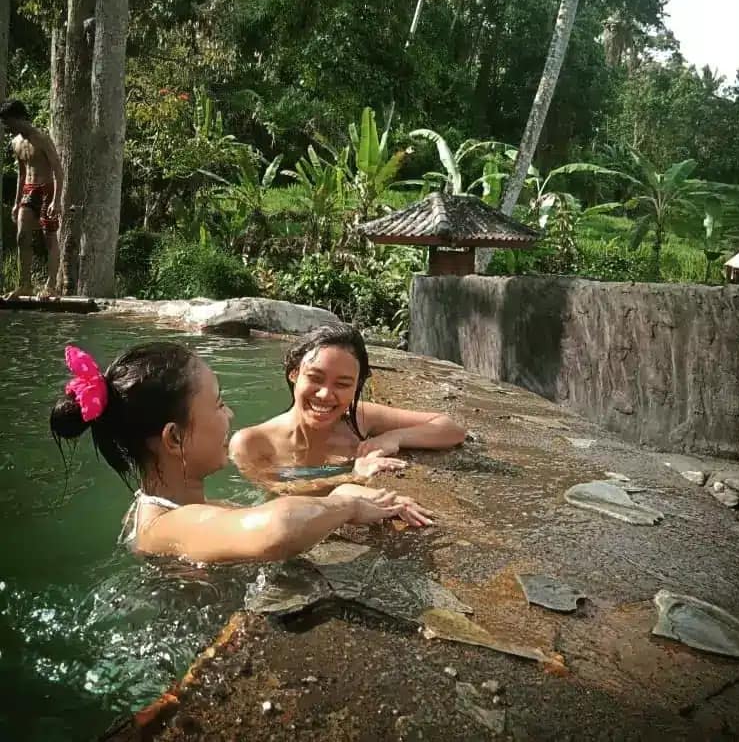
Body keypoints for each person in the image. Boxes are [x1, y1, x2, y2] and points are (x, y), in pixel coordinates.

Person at [50, 341, 433, 564]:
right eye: (218, 405)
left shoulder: (169, 507)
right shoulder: (165, 525)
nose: (230, 414)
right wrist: (344, 502)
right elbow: (279, 528)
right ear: (173, 439)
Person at [229, 324, 464, 520]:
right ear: (294, 374)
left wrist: (394, 437)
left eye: (342, 384)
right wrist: (353, 477)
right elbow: (280, 492)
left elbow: (451, 430)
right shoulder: (251, 442)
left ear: (357, 386)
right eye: (315, 378)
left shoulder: (360, 420)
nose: (325, 394)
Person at [0, 99, 63, 298]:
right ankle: (25, 284)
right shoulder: (15, 142)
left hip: (47, 189)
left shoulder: (42, 138)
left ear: (18, 118)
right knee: (22, 236)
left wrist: (57, 200)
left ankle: (51, 285)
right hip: (29, 189)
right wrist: (16, 202)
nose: (7, 127)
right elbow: (21, 174)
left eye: (8, 122)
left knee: (49, 237)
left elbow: (58, 170)